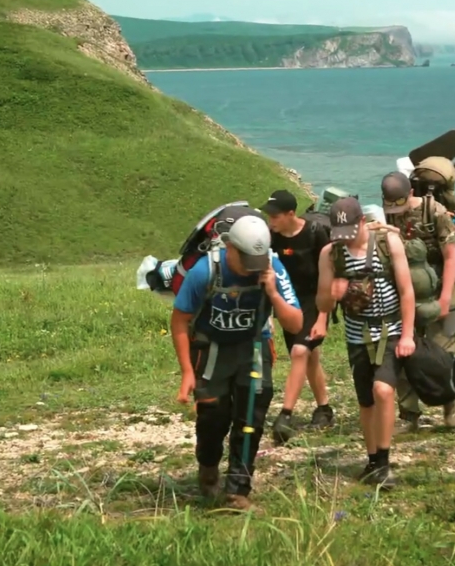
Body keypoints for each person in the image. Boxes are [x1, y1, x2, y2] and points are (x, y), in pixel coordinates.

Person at [171, 213, 306, 510]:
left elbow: (296, 324)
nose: (249, 269)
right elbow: (180, 321)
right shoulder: (205, 271)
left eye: (254, 262)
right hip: (213, 351)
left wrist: (273, 293)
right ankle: (208, 469)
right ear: (230, 247)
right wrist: (186, 372)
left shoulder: (272, 267)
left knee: (250, 420)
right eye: (244, 261)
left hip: (253, 348)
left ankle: (237, 491)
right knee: (212, 418)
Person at [315, 196, 416, 489]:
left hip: (390, 329)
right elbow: (322, 303)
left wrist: (408, 335)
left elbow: (406, 291)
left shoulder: (387, 243)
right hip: (356, 333)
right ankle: (372, 461)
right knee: (366, 401)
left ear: (362, 221)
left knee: (383, 390)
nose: (345, 240)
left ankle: (384, 463)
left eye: (350, 233)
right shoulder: (330, 254)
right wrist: (332, 293)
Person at [380, 171, 455, 432]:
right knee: (403, 351)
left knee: (444, 352)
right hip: (404, 293)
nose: (396, 210)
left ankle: (450, 404)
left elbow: (451, 256)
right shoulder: (386, 215)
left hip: (439, 288)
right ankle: (409, 413)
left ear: (411, 193)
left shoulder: (435, 212)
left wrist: (445, 298)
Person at [259, 189, 336, 444]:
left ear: (291, 214)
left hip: (315, 299)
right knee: (309, 356)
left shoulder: (315, 233)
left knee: (300, 352)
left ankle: (286, 415)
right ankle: (324, 409)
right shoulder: (272, 238)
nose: (271, 221)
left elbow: (328, 278)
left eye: (275, 216)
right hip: (289, 302)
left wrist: (323, 317)